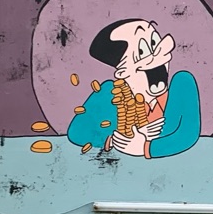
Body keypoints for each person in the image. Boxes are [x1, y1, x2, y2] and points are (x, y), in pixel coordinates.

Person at [67, 18, 202, 159]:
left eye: (154, 42)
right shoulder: (111, 93)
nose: (157, 53)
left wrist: (145, 148)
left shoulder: (182, 85)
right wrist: (114, 141)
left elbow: (187, 135)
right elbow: (77, 132)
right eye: (142, 49)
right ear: (122, 72)